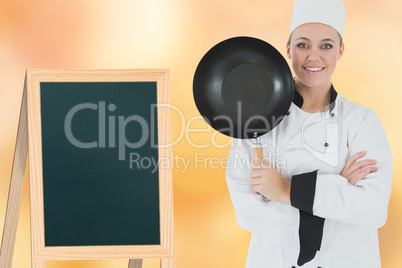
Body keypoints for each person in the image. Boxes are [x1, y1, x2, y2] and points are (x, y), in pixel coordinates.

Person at [225, 0, 393, 267]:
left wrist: (285, 191)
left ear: (340, 50)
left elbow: (373, 208)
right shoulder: (255, 119)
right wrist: (338, 186)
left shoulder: (361, 121)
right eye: (303, 45)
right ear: (289, 49)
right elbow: (248, 211)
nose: (313, 57)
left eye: (326, 45)